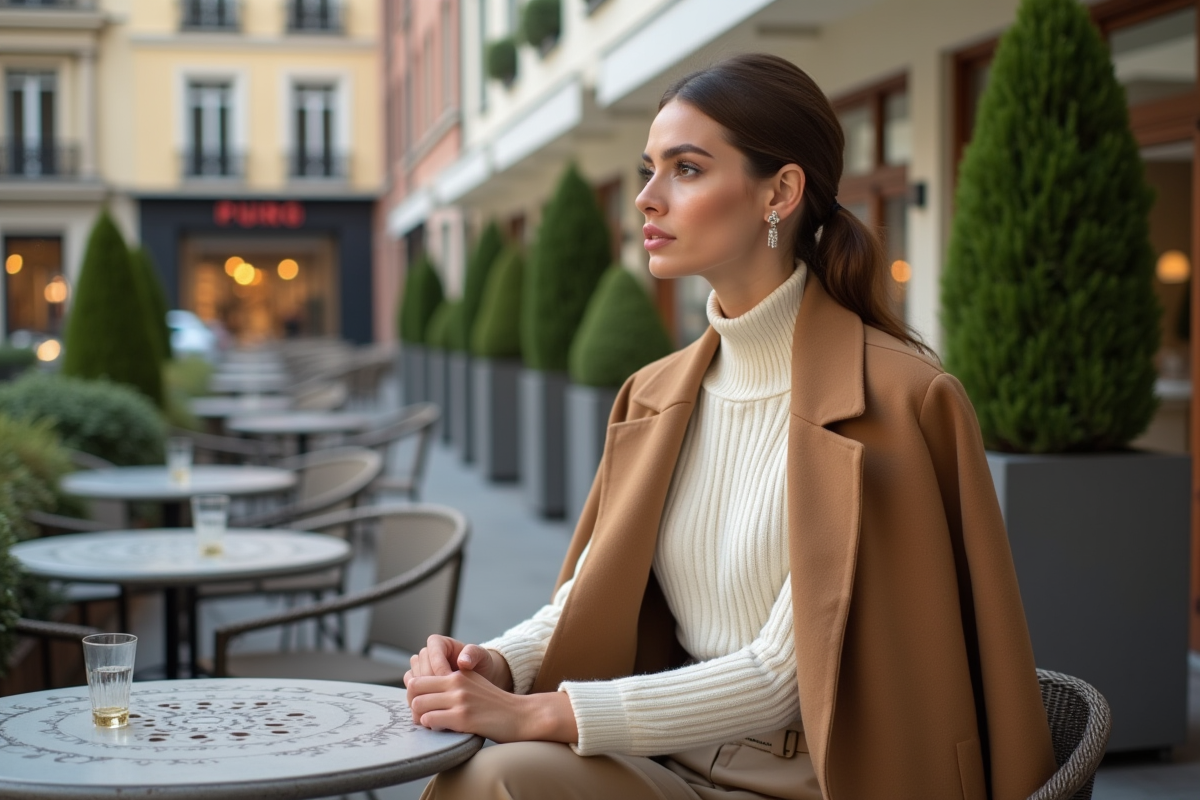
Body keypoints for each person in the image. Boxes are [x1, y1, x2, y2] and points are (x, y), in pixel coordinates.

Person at [405, 53, 1057, 800]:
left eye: (685, 169)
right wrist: (494, 665)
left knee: (499, 774)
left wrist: (545, 714)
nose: (647, 199)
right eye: (649, 169)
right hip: (670, 757)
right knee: (483, 775)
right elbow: (591, 596)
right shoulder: (653, 396)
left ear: (779, 191)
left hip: (826, 774)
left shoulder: (899, 401)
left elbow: (785, 674)